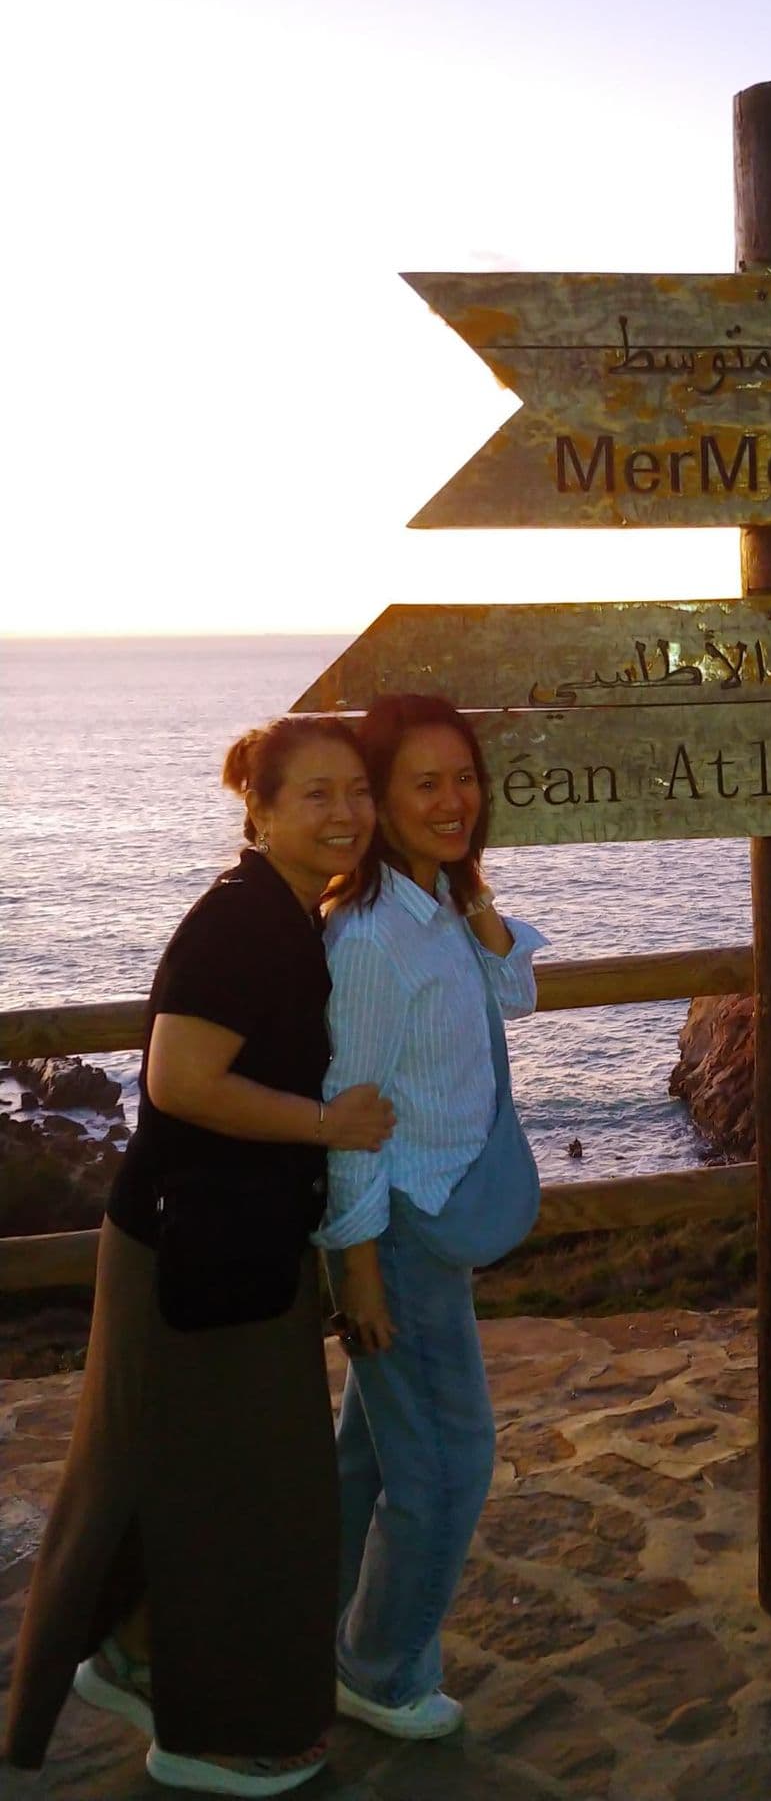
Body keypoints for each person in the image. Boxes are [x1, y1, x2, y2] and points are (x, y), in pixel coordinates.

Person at [3, 716, 395, 1797]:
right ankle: (210, 1734)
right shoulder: (243, 924)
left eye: (356, 790)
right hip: (193, 1248)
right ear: (258, 810)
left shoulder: (285, 912)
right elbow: (178, 1079)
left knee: (199, 1475)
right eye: (313, 793)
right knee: (250, 1494)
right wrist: (330, 1125)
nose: (345, 813)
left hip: (225, 1242)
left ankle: (131, 1655)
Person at [318, 693, 545, 1741]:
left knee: (367, 1457)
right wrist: (358, 1269)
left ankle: (305, 1622)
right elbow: (351, 1115)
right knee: (450, 1465)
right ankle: (378, 1665)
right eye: (425, 781)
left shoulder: (432, 905)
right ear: (379, 798)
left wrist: (476, 889)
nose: (455, 799)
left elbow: (512, 995)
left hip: (427, 1216)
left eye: (465, 777)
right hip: (398, 1229)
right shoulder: (369, 939)